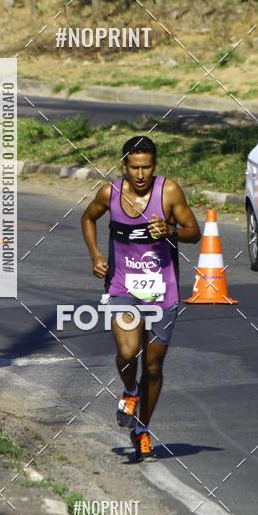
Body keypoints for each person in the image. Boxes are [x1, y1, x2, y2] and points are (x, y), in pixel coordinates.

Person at [81, 135, 201, 461]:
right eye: (134, 167)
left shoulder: (169, 192)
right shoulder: (111, 193)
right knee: (128, 350)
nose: (140, 174)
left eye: (146, 167)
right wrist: (94, 255)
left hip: (163, 292)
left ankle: (141, 429)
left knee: (153, 367)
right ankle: (129, 391)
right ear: (124, 166)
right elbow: (88, 218)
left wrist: (172, 231)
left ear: (155, 166)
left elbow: (195, 231)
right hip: (122, 288)